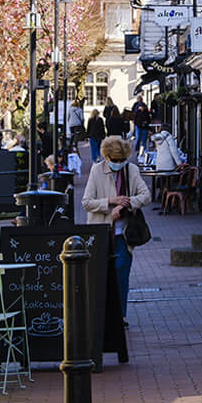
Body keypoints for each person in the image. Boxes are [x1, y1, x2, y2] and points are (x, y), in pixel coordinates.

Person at [81, 137, 151, 324]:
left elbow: (145, 195)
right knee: (100, 274)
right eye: (115, 160)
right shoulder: (97, 171)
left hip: (124, 234)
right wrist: (110, 202)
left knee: (121, 272)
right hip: (101, 232)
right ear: (106, 157)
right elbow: (87, 203)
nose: (119, 164)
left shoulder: (131, 170)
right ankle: (100, 314)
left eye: (122, 160)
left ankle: (120, 316)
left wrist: (126, 205)